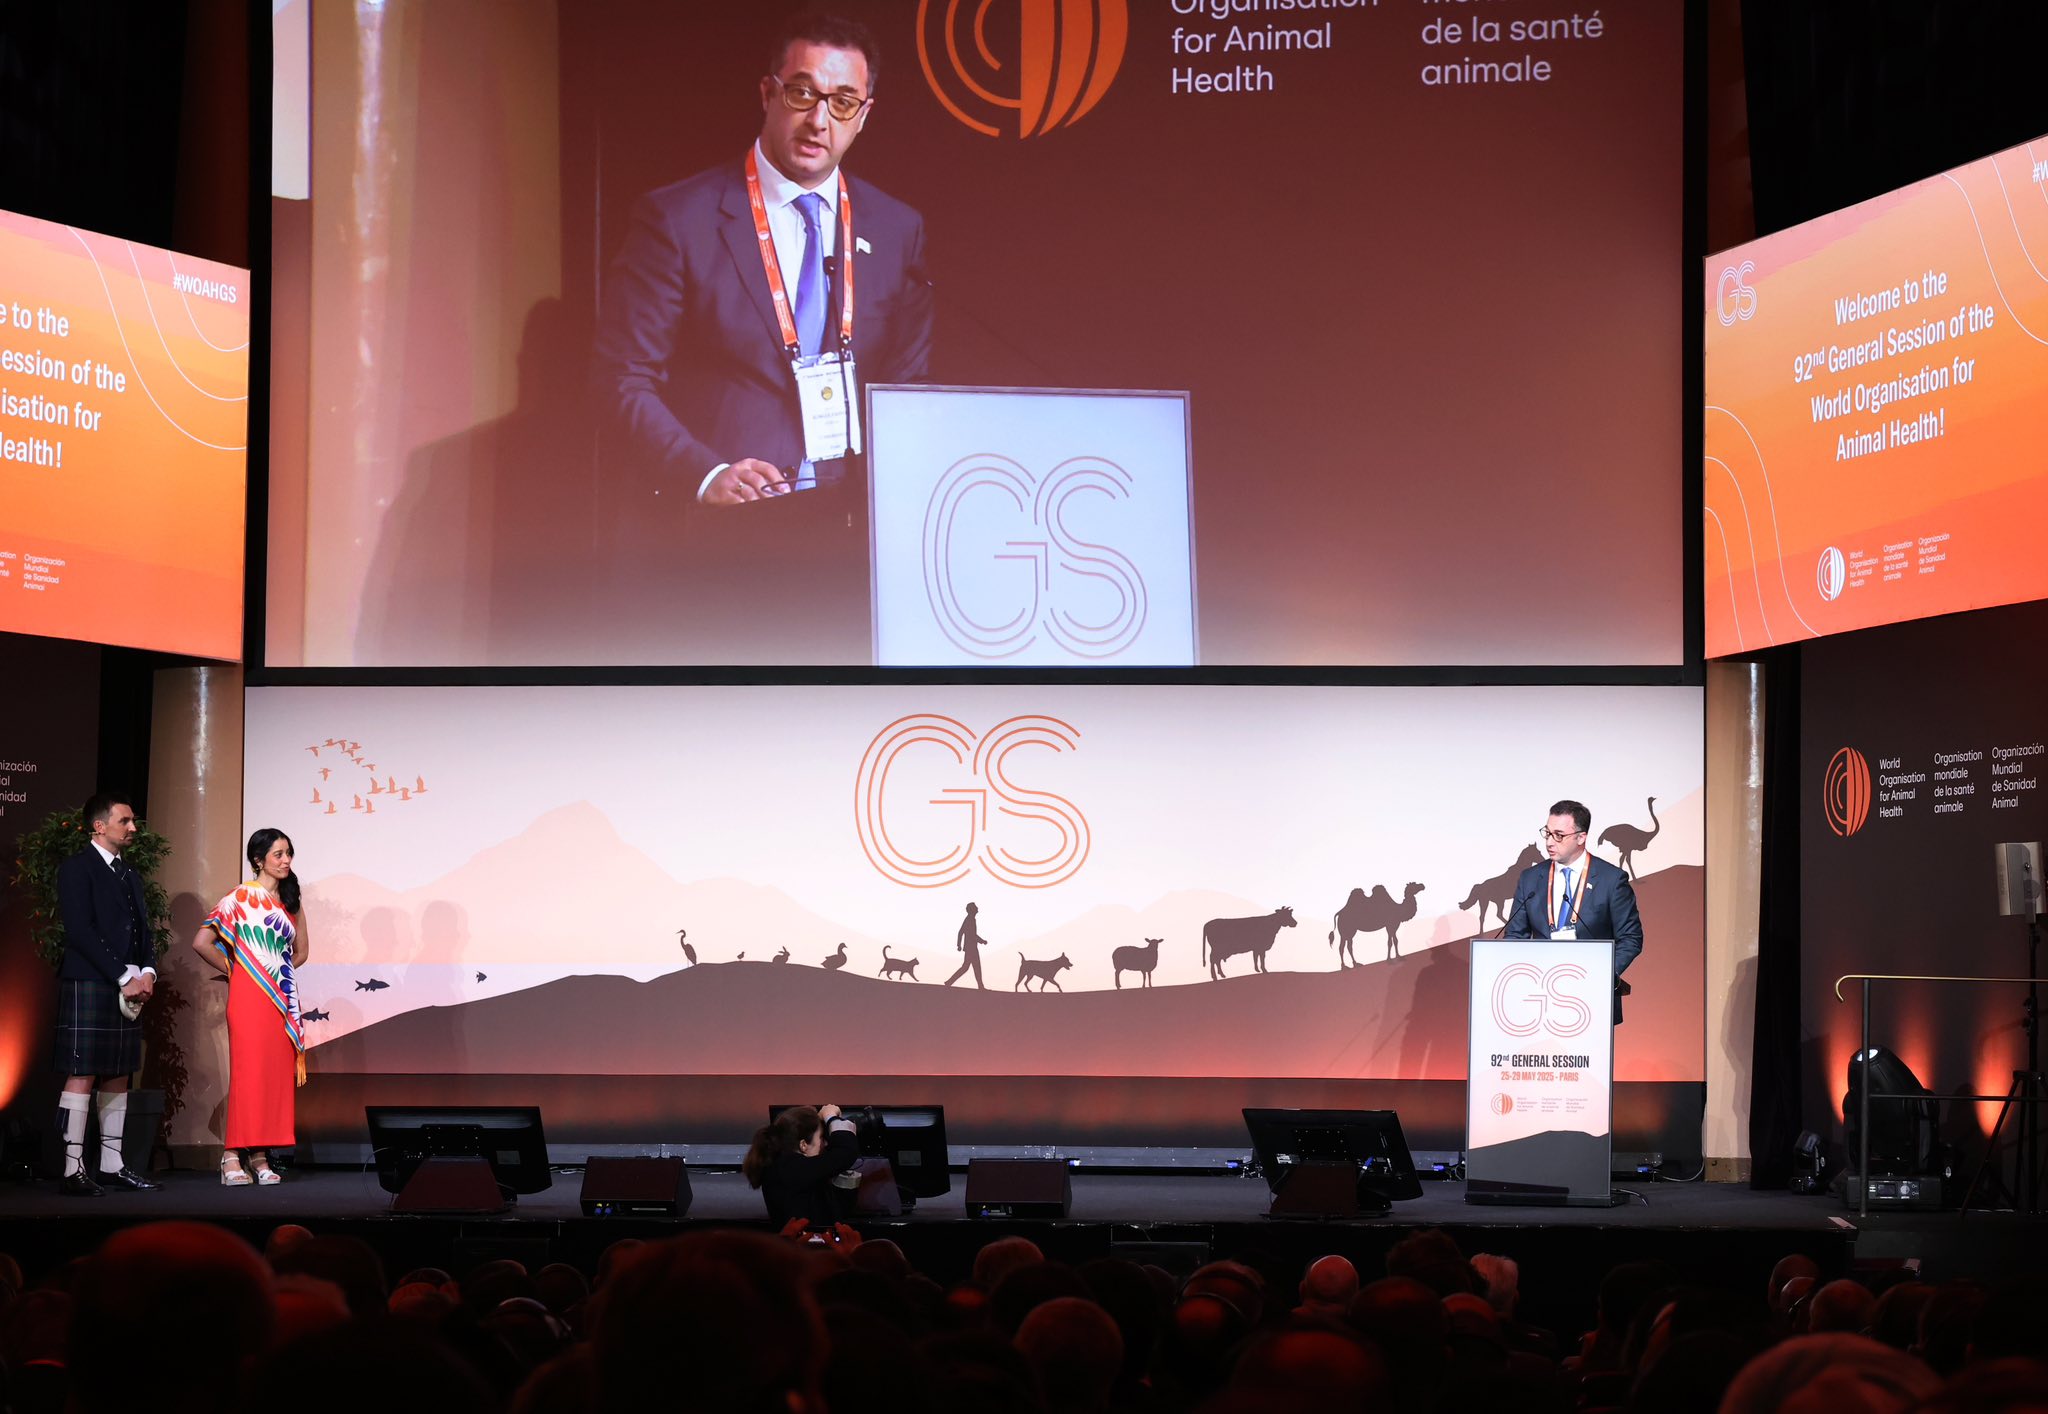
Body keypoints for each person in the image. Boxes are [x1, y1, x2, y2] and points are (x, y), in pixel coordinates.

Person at [590, 11, 934, 662]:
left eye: (843, 102)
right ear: (768, 93)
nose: (819, 120)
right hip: (715, 546)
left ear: (865, 115)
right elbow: (621, 379)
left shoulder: (897, 230)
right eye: (803, 93)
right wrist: (705, 472)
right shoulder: (679, 217)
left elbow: (907, 391)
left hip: (847, 556)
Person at [52, 793, 164, 1195]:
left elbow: (143, 931)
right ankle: (72, 1170)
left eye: (132, 821)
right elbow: (80, 931)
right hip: (90, 981)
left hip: (127, 984)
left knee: (119, 1072)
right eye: (125, 821)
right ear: (99, 826)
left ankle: (112, 1166)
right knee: (82, 1072)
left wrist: (148, 971)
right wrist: (122, 975)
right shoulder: (76, 868)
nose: (133, 828)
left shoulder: (129, 873)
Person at [192, 828, 309, 1185]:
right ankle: (230, 1155)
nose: (286, 860)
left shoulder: (291, 901)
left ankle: (259, 1155)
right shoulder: (240, 897)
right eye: (278, 854)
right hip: (248, 997)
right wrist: (238, 970)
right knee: (248, 1075)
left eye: (288, 853)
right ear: (258, 860)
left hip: (280, 998)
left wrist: (276, 972)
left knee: (271, 1077)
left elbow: (301, 952)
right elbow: (202, 942)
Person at [1506, 799, 1643, 1021]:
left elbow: (1630, 938)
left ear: (1581, 837)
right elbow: (1515, 935)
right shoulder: (1530, 878)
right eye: (1547, 833)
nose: (1549, 842)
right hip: (1538, 997)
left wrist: (1601, 973)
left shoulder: (1611, 879)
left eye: (1559, 835)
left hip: (1592, 996)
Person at [744, 1104, 859, 1226]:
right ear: (803, 1145)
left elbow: (838, 1210)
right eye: (821, 1137)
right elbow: (846, 1152)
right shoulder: (791, 1169)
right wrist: (831, 1117)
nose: (825, 1144)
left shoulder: (786, 1167)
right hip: (801, 1238)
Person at [945, 901, 987, 989]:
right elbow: (968, 934)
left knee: (968, 967)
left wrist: (959, 945)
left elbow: (963, 932)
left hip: (971, 947)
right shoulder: (969, 919)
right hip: (971, 948)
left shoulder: (970, 919)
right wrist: (981, 941)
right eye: (975, 907)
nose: (977, 908)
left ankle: (949, 982)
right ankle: (980, 986)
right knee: (974, 967)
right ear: (972, 910)